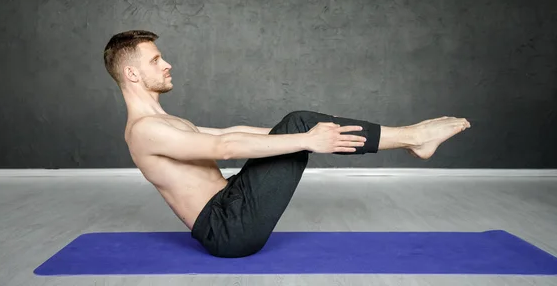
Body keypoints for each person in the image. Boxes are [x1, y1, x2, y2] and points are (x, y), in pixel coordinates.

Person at [103, 30, 471, 258]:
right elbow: (225, 148)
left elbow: (229, 131)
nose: (167, 64)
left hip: (231, 206)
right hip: (228, 230)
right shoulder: (144, 130)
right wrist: (306, 137)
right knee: (300, 125)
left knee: (298, 125)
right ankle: (414, 137)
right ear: (132, 73)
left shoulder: (165, 122)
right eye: (156, 59)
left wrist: (299, 135)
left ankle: (411, 136)